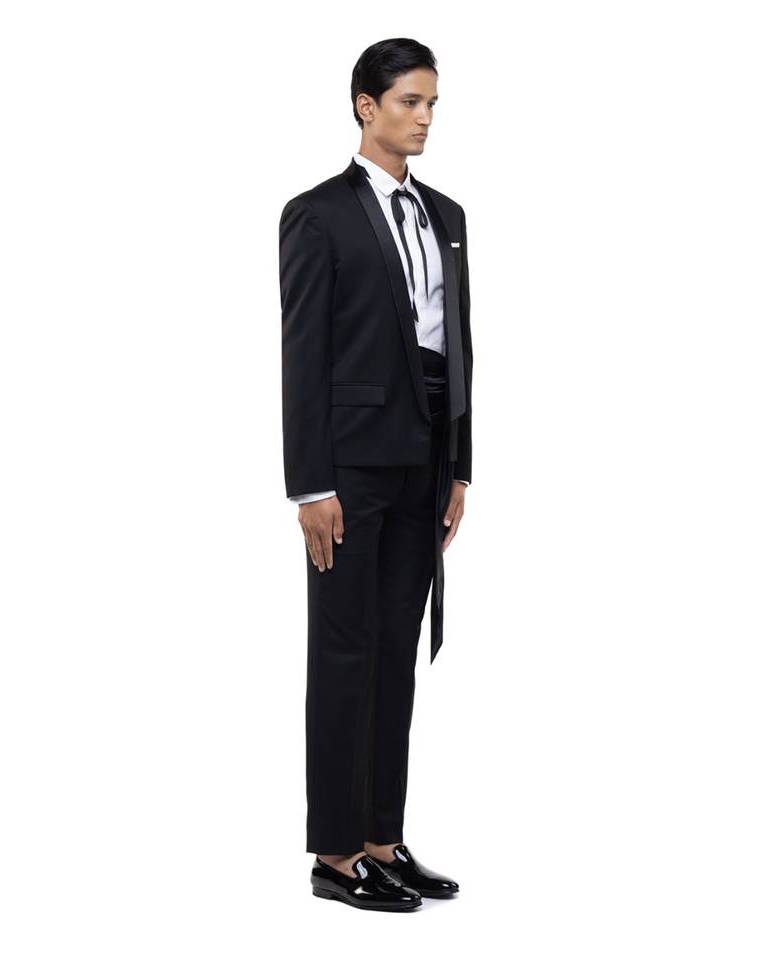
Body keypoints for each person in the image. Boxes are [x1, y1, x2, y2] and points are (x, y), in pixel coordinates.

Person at [278, 37, 473, 911]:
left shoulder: (447, 214)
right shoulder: (318, 215)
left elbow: (457, 347)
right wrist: (310, 486)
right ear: (367, 105)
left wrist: (460, 466)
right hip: (350, 467)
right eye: (409, 102)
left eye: (432, 104)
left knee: (396, 654)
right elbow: (303, 354)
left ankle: (381, 840)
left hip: (425, 462)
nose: (424, 118)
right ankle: (334, 855)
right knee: (344, 652)